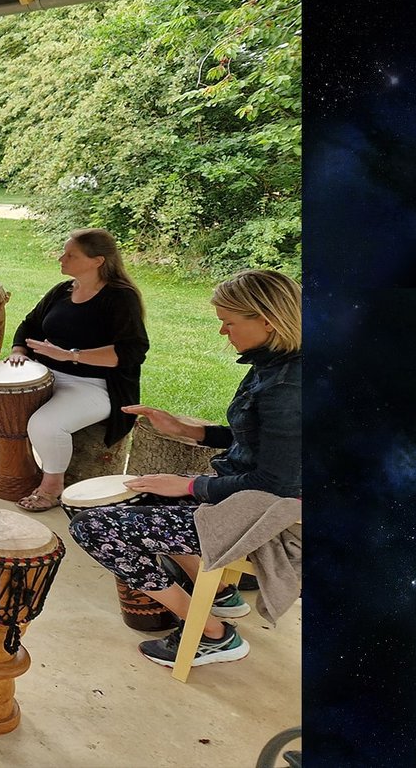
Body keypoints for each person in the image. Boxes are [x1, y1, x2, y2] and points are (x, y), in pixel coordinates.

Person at [69, 269, 302, 669]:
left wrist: (190, 485)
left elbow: (275, 483)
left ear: (267, 320)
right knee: (142, 492)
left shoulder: (289, 388)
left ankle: (211, 633)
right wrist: (188, 429)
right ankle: (216, 594)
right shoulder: (276, 362)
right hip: (249, 496)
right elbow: (260, 442)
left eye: (229, 323)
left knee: (92, 527)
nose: (222, 332)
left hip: (270, 517)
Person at [0, 228, 149, 512]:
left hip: (94, 385)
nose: (61, 258)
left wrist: (71, 356)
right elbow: (29, 324)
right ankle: (0, 463)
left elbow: (132, 351)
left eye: (71, 254)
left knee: (45, 424)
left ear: (98, 261)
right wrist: (18, 351)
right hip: (43, 376)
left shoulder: (119, 298)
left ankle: (52, 486)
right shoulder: (62, 290)